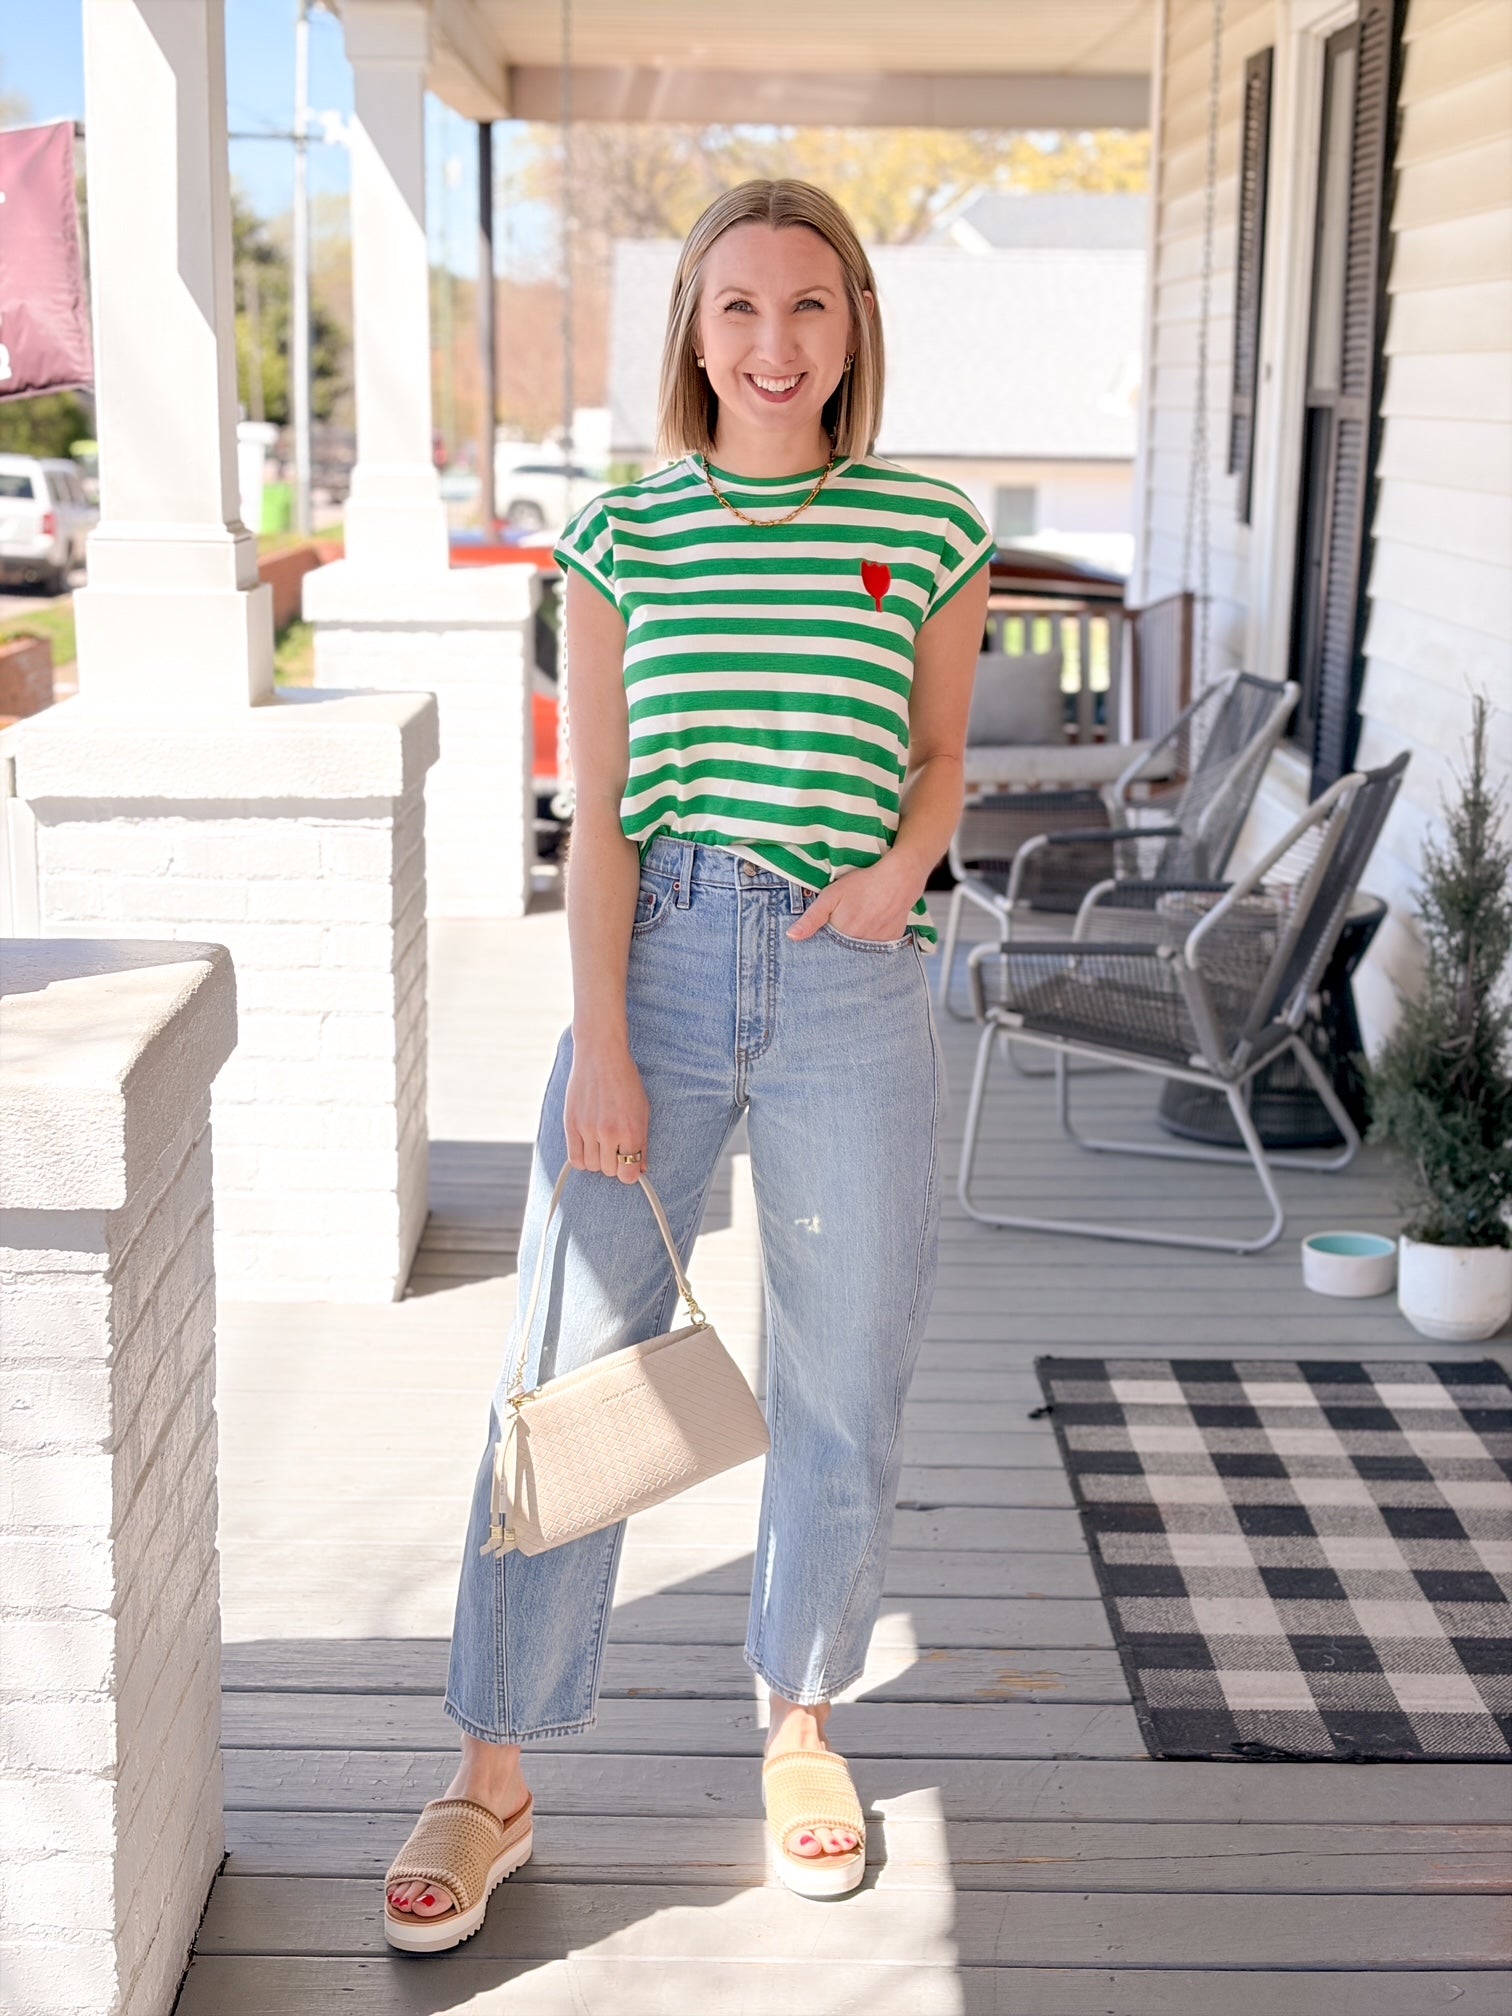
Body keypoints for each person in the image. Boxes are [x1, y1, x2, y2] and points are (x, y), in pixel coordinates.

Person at [384, 178, 993, 1946]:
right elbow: (592, 819)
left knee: (842, 1379)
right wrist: (595, 1043)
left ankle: (800, 1722)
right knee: (572, 1376)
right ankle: (491, 1774)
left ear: (853, 327)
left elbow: (942, 758)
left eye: (810, 307)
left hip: (852, 978)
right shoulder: (621, 536)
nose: (775, 342)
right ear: (692, 333)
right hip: (653, 958)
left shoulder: (928, 529)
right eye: (738, 307)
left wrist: (894, 878)